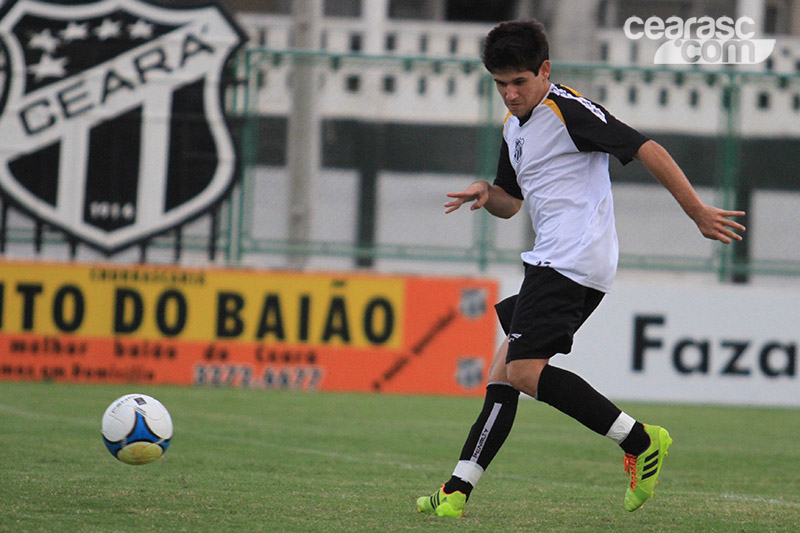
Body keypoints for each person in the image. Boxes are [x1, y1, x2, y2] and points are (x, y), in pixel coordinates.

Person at [416, 19, 746, 517]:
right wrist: (489, 192)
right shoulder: (514, 128)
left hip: (572, 257)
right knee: (504, 371)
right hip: (552, 259)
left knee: (525, 371)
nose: (509, 94)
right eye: (500, 84)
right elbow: (512, 203)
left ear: (544, 70)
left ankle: (640, 441)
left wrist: (697, 211)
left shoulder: (568, 111)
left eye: (519, 82)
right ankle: (456, 491)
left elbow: (646, 148)